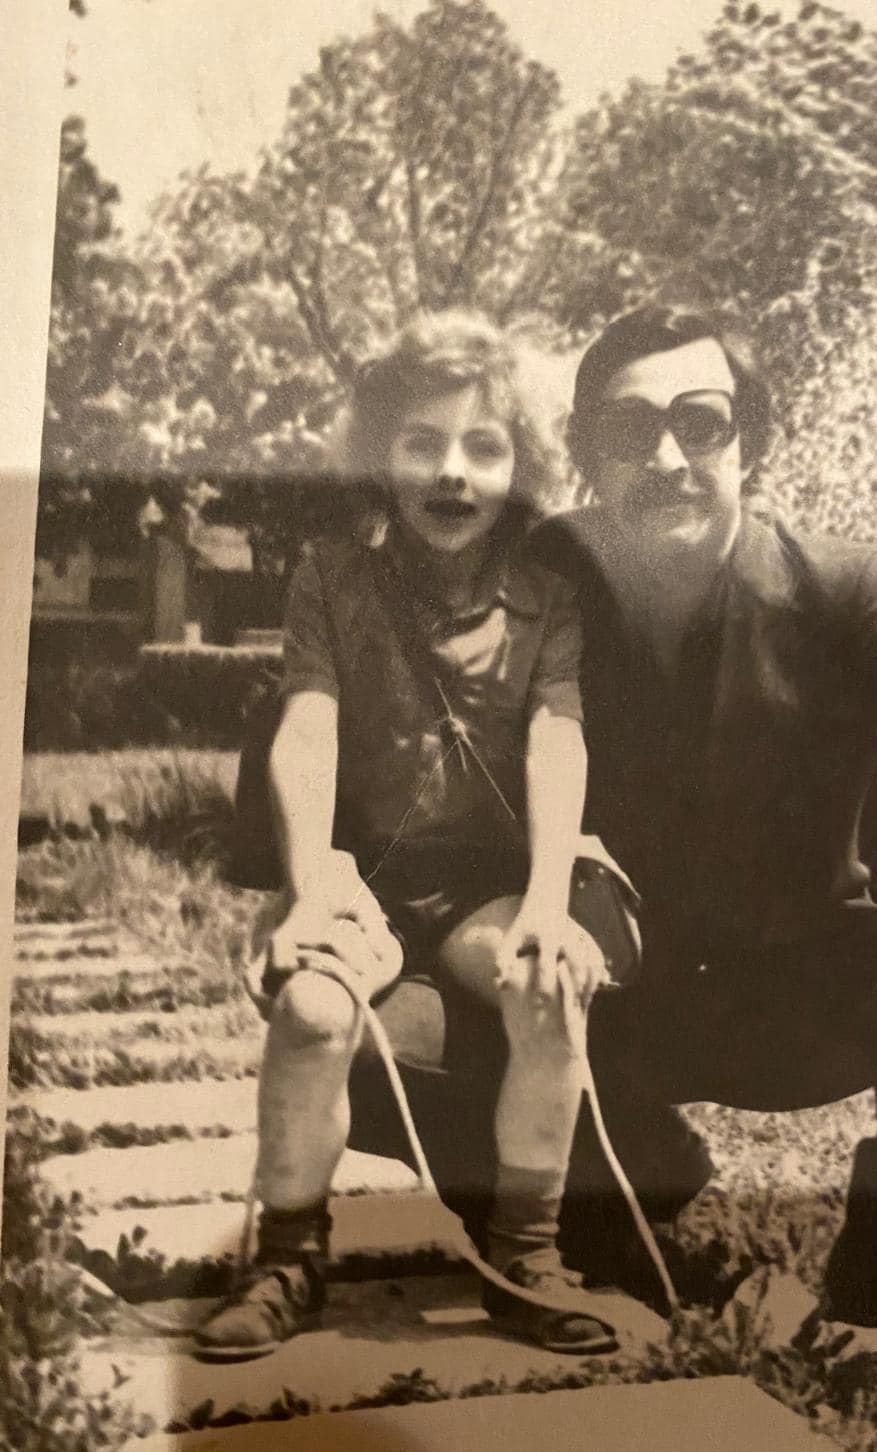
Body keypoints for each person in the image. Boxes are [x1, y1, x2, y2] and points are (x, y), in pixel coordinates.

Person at [520, 302, 877, 1334]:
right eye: (630, 430)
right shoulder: (543, 578)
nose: (668, 458)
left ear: (750, 443)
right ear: (588, 456)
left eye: (701, 422)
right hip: (609, 992)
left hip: (797, 985)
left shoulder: (847, 589)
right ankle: (634, 1178)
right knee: (403, 1034)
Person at [195, 309, 631, 1361]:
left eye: (484, 447)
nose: (452, 472)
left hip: (491, 886)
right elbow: (308, 727)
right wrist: (310, 885)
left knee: (547, 986)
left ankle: (526, 1257)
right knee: (312, 1009)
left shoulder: (548, 595)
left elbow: (558, 740)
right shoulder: (330, 576)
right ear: (378, 455)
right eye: (422, 442)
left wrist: (545, 904)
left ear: (520, 466)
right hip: (366, 875)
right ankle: (286, 1257)